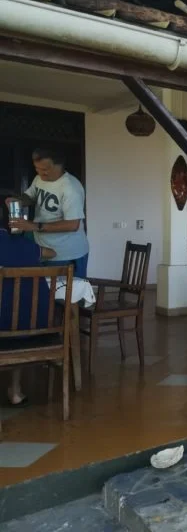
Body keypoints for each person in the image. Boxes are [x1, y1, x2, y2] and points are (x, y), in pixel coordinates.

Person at [0, 202, 57, 407]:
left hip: (3, 331)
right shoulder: (29, 247)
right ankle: (15, 390)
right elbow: (52, 253)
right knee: (18, 318)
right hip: (34, 331)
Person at [5, 147, 89, 278]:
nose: (40, 173)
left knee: (66, 296)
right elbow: (31, 197)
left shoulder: (71, 188)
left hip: (66, 254)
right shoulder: (39, 179)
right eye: (36, 168)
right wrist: (18, 201)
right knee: (44, 294)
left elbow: (73, 225)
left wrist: (34, 226)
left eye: (44, 169)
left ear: (59, 166)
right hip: (43, 249)